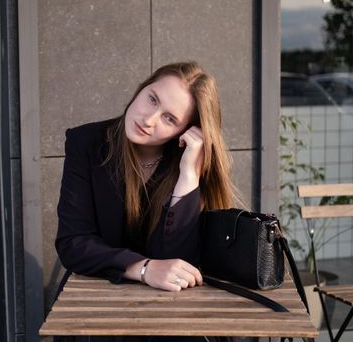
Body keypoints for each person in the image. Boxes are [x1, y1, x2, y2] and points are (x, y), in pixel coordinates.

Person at [55, 61, 242, 342]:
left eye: (170, 119)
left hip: (168, 314)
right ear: (142, 88)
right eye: (152, 99)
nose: (149, 119)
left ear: (185, 130)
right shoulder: (87, 142)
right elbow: (73, 242)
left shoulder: (187, 159)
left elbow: (178, 260)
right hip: (99, 299)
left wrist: (188, 177)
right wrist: (143, 268)